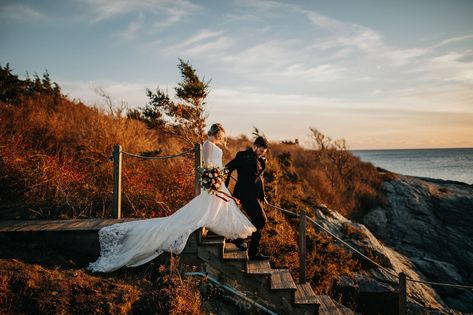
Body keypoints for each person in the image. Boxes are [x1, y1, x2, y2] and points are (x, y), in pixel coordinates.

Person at [88, 123, 256, 273]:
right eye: (221, 135)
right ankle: (234, 235)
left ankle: (235, 236)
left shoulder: (213, 145)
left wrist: (217, 178)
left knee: (223, 205)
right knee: (214, 206)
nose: (222, 138)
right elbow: (206, 165)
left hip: (218, 180)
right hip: (214, 179)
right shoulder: (207, 144)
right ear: (217, 133)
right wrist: (212, 178)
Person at [225, 136, 269, 261]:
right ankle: (253, 253)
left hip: (254, 195)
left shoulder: (259, 159)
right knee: (261, 220)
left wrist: (262, 195)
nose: (261, 154)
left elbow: (258, 178)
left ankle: (240, 238)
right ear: (254, 146)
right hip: (244, 195)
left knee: (258, 220)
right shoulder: (242, 156)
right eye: (260, 151)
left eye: (263, 153)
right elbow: (228, 168)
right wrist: (225, 187)